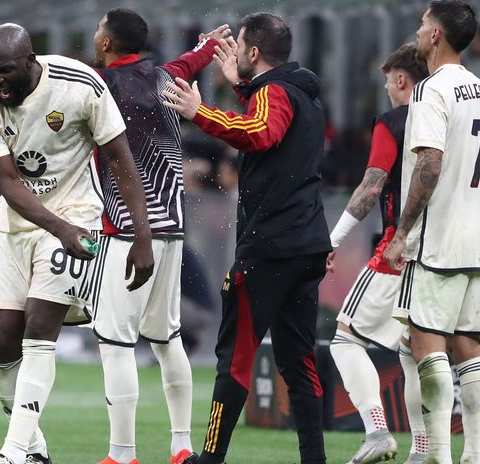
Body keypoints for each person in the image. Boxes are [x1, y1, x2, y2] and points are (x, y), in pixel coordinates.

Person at [0, 23, 153, 464]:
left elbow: (120, 158)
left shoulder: (80, 83)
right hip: (14, 223)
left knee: (39, 325)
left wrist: (141, 235)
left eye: (6, 71)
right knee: (3, 338)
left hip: (77, 217)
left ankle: (11, 452)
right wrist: (57, 228)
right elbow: (8, 182)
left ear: (31, 61)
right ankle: (34, 448)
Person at [162, 13, 332, 464]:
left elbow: (260, 133)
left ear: (254, 52)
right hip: (307, 243)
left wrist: (198, 112)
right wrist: (240, 85)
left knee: (235, 359)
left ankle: (211, 457)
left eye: (238, 45)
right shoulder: (303, 95)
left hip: (270, 248)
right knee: (299, 362)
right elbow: (272, 124)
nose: (233, 51)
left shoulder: (275, 94)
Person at [88, 9, 230, 464]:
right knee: (167, 340)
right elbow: (194, 59)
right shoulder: (165, 78)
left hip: (127, 232)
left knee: (115, 343)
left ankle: (122, 454)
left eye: (99, 28)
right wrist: (211, 44)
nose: (95, 34)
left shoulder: (97, 86)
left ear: (107, 43)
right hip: (171, 231)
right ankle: (181, 446)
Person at [382, 2, 480, 464]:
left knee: (424, 341)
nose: (417, 31)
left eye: (422, 24)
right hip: (477, 241)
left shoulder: (430, 90)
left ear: (436, 35)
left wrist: (401, 233)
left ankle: (437, 455)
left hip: (437, 240)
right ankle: (474, 455)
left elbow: (429, 164)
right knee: (468, 346)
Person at [327, 43, 429, 464]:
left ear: (401, 79)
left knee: (345, 338)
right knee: (416, 353)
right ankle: (425, 450)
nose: (387, 88)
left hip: (397, 248)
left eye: (387, 81)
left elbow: (371, 188)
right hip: (441, 252)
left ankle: (376, 431)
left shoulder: (394, 122)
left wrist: (333, 240)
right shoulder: (450, 120)